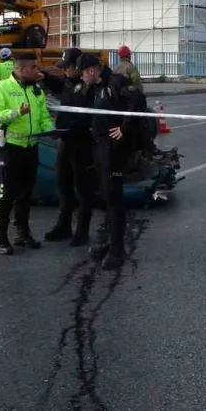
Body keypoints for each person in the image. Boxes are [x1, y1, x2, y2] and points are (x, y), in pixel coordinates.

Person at [0, 57, 54, 255]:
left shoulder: (36, 90)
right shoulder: (1, 88)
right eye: (33, 67)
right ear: (19, 69)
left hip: (31, 146)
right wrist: (16, 112)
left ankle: (23, 233)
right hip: (10, 146)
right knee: (7, 193)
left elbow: (43, 116)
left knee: (26, 193)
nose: (37, 70)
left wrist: (51, 130)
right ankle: (1, 236)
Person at [78, 53, 138, 269]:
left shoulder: (116, 83)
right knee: (104, 196)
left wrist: (124, 128)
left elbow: (137, 105)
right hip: (99, 146)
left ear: (92, 71)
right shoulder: (95, 87)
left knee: (113, 198)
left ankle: (117, 250)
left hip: (113, 149)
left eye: (83, 73)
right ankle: (108, 241)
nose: (82, 77)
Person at [39, 48, 96, 244]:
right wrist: (43, 75)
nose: (64, 71)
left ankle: (82, 230)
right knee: (62, 183)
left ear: (78, 67)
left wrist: (74, 127)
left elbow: (91, 117)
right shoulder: (67, 82)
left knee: (83, 187)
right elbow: (56, 83)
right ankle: (63, 226)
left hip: (83, 143)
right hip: (66, 142)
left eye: (68, 67)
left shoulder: (89, 86)